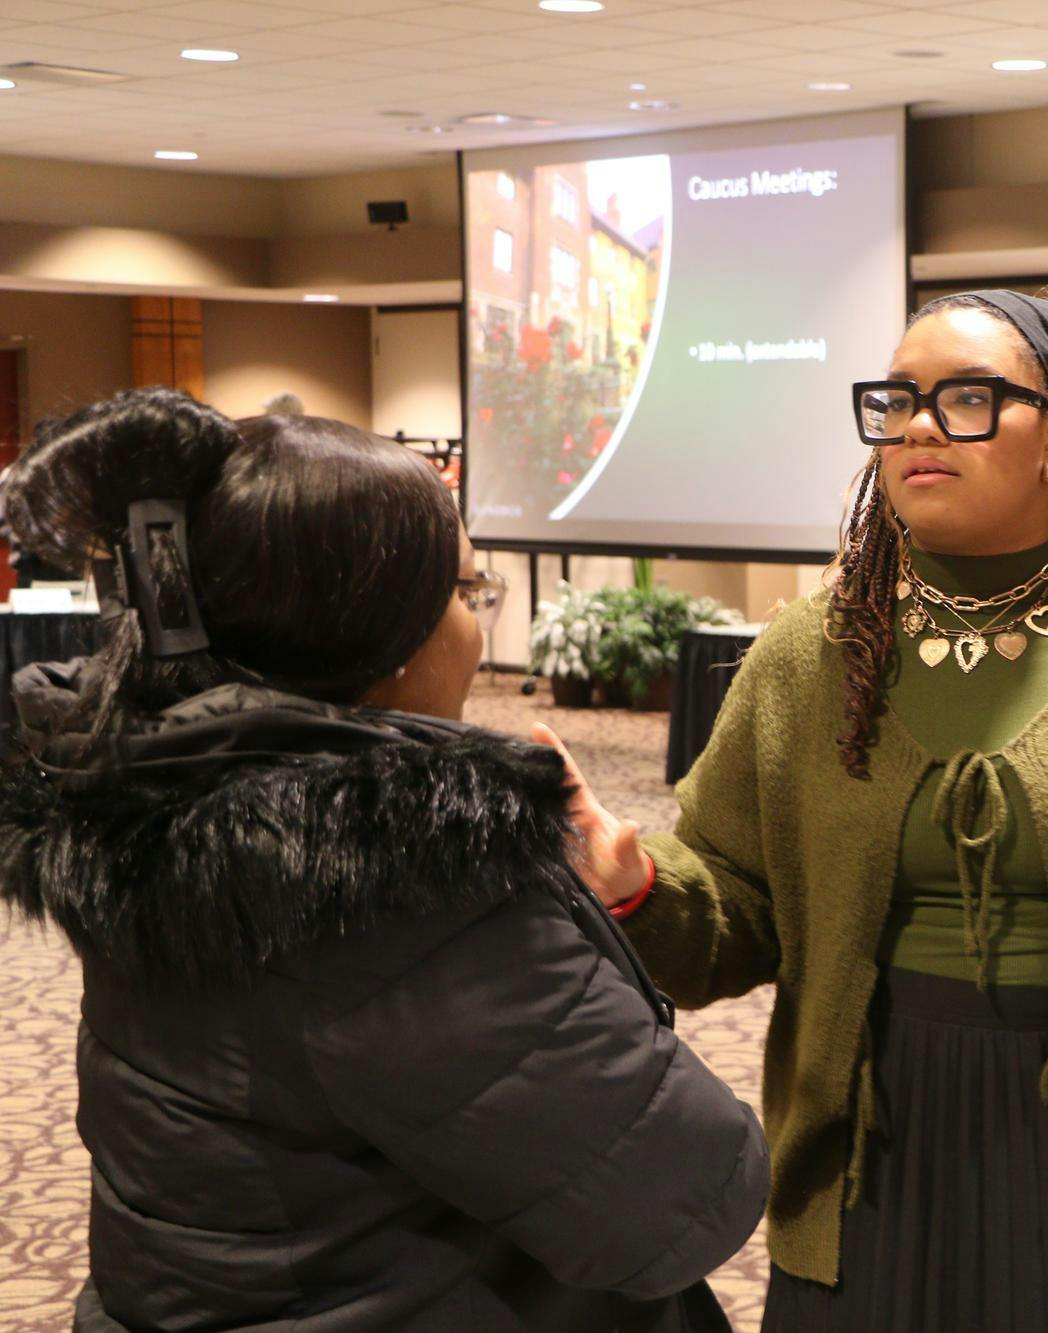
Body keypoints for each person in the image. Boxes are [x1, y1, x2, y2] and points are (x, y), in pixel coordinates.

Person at [545, 290, 1048, 1331]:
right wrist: (637, 885)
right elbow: (736, 912)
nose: (922, 426)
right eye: (896, 402)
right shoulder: (813, 653)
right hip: (875, 1144)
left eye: (969, 398)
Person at [0, 389, 768, 1332]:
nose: (472, 623)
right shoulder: (409, 888)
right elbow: (686, 1198)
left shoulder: (158, 799)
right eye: (459, 591)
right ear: (378, 635)